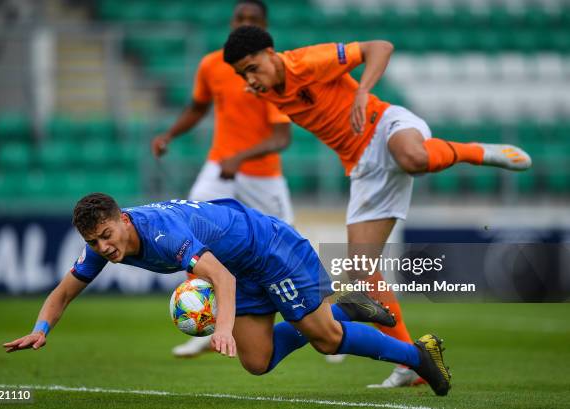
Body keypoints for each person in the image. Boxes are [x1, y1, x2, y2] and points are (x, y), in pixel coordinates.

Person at [222, 26, 531, 387]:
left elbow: (380, 46)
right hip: (364, 168)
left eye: (253, 67)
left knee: (412, 156)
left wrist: (362, 92)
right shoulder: (265, 88)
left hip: (384, 124)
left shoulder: (306, 62)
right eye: (243, 74)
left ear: (272, 53)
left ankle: (477, 152)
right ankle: (410, 363)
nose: (250, 79)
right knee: (361, 270)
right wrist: (254, 80)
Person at [3, 193, 451, 396]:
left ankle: (418, 356)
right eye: (95, 242)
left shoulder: (159, 235)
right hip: (240, 262)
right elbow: (62, 293)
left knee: (325, 339)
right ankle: (347, 307)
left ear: (122, 218)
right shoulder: (104, 246)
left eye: (106, 236)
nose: (104, 249)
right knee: (257, 363)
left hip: (270, 249)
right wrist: (40, 328)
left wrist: (221, 330)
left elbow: (223, 281)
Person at [151, 0, 294, 358]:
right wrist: (170, 134)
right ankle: (204, 322)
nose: (242, 22)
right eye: (239, 17)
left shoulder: (272, 70)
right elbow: (198, 107)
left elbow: (282, 138)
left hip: (262, 176)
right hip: (219, 167)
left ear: (264, 28)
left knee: (289, 248)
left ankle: (319, 322)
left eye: (252, 19)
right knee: (191, 229)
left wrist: (241, 158)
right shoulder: (213, 65)